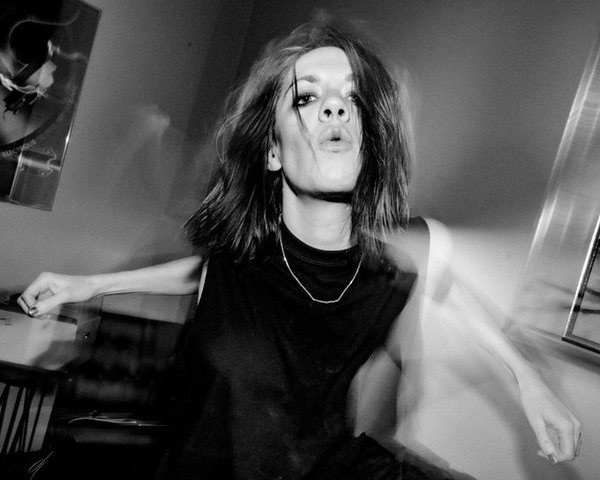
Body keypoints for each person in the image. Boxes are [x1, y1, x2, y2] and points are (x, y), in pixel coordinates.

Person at [18, 19, 581, 480]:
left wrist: (528, 379)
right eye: (308, 97)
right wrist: (91, 285)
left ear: (367, 140)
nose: (336, 109)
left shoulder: (395, 258)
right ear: (272, 151)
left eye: (352, 98)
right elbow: (204, 273)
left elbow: (448, 290)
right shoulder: (238, 259)